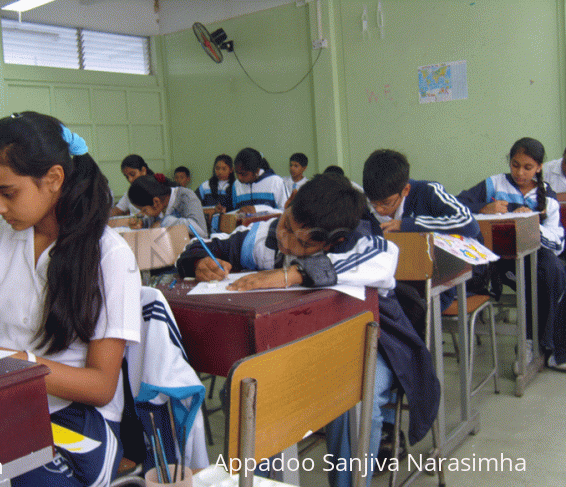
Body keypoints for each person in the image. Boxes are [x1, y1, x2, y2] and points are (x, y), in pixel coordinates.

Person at [0, 111, 141, 486]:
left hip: (74, 418)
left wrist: (1, 357)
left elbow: (101, 387)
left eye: (8, 193)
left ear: (54, 179)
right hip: (0, 402)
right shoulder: (1, 235)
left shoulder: (108, 256)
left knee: (15, 477)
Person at [176, 174, 440, 487]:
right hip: (295, 345)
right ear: (287, 204)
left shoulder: (361, 239)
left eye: (306, 243)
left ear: (332, 241)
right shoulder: (266, 236)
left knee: (352, 396)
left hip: (371, 346)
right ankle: (264, 482)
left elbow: (382, 260)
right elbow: (197, 245)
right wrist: (199, 262)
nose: (288, 242)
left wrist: (292, 274)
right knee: (249, 387)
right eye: (287, 226)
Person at [457, 137, 566, 371]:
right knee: (537, 278)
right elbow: (457, 205)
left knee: (553, 271)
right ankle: (536, 344)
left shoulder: (548, 196)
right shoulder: (495, 184)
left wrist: (531, 225)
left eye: (528, 167)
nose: (520, 173)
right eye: (515, 165)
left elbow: (557, 244)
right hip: (501, 260)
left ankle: (538, 344)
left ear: (539, 168)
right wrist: (482, 208)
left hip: (537, 258)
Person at [362, 149, 485, 309]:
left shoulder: (427, 192)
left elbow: (469, 224)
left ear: (405, 190)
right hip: (393, 284)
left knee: (410, 310)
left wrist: (406, 225)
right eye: (373, 202)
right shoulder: (365, 205)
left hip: (440, 284)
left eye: (386, 203)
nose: (378, 209)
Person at [128, 174, 208, 238]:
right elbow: (154, 224)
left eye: (144, 210)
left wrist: (164, 222)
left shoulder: (186, 196)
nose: (143, 213)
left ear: (156, 202)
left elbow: (201, 231)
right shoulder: (159, 204)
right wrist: (142, 224)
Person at [231, 147, 288, 213]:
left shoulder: (275, 181)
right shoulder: (236, 185)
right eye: (237, 173)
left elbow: (286, 212)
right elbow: (236, 211)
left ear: (257, 171)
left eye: (244, 174)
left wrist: (258, 209)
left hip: (271, 223)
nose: (239, 178)